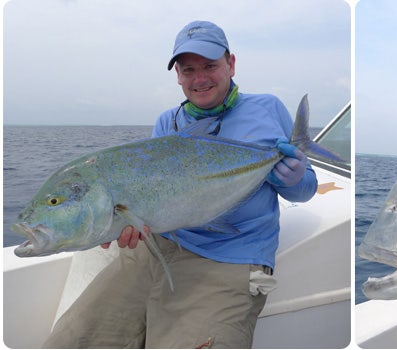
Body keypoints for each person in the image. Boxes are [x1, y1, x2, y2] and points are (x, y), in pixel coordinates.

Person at [43, 20, 318, 348]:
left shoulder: (268, 108)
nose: (199, 79)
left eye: (210, 66)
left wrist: (296, 178)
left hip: (228, 257)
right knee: (70, 340)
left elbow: (305, 191)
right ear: (177, 76)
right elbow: (150, 198)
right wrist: (125, 224)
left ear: (231, 64)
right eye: (188, 70)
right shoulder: (167, 122)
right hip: (158, 247)